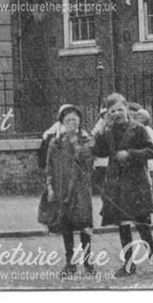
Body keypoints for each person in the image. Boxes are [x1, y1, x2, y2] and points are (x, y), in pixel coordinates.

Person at [92, 93, 153, 277]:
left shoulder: (138, 129)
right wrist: (101, 129)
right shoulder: (108, 131)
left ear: (126, 109)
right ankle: (129, 265)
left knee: (142, 224)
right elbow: (99, 151)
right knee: (123, 225)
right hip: (117, 185)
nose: (117, 113)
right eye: (112, 110)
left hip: (136, 183)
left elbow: (150, 151)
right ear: (108, 113)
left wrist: (130, 154)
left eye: (120, 109)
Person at [45, 104, 95, 275]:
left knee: (84, 226)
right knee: (66, 226)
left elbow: (89, 163)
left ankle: (88, 263)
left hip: (81, 190)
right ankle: (70, 263)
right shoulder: (56, 142)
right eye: (68, 120)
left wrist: (79, 146)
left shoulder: (87, 140)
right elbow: (49, 167)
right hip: (62, 188)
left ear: (80, 121)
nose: (72, 122)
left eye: (74, 119)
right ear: (62, 123)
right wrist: (50, 187)